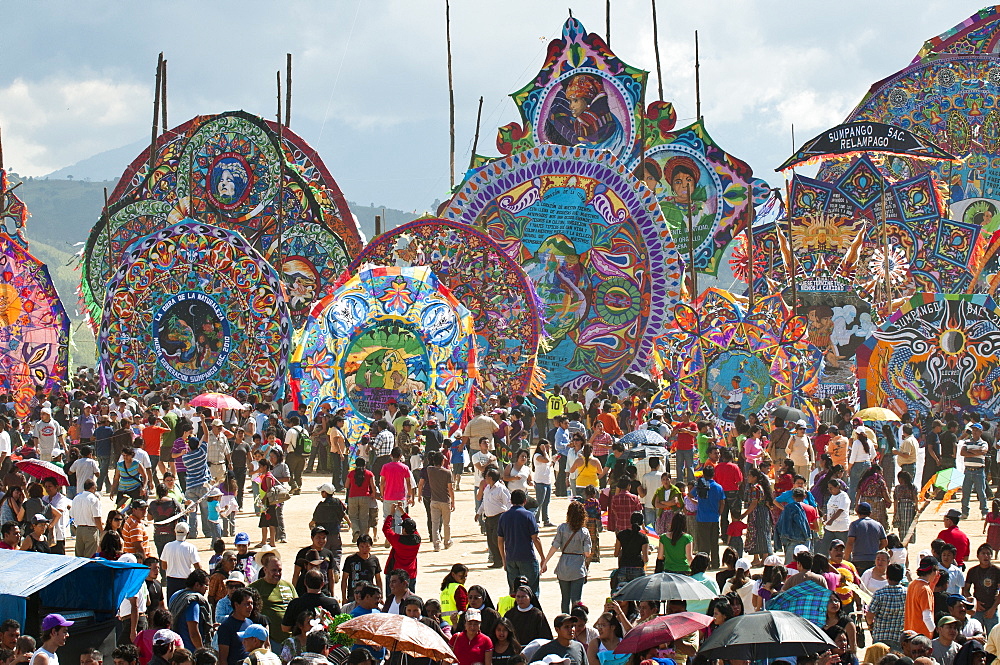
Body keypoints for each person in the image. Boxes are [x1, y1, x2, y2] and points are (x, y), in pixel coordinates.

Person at [542, 502, 592, 613]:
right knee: (576, 600)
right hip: (578, 567)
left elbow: (554, 546)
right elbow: (587, 552)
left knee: (565, 599)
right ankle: (576, 622)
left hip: (564, 565)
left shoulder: (562, 528)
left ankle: (565, 622)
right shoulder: (584, 532)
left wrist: (545, 562)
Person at [497, 489, 545, 595]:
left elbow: (500, 541)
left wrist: (504, 559)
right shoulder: (528, 515)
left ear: (511, 500)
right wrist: (543, 558)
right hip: (527, 557)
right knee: (532, 591)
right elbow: (535, 539)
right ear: (525, 501)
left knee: (514, 592)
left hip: (511, 558)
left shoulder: (503, 516)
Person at [249, 552, 297, 644]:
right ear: (265, 570)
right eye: (274, 570)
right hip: (269, 639)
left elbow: (297, 606)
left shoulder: (288, 586)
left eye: (280, 570)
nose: (277, 573)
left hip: (291, 638)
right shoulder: (255, 588)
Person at [168, 570, 212, 651]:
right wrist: (201, 651)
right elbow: (193, 633)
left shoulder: (176, 595)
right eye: (206, 585)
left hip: (176, 648)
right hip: (190, 650)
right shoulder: (192, 602)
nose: (207, 589)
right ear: (197, 585)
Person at [866, 562, 907, 650]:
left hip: (881, 636)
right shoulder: (907, 594)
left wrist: (870, 625)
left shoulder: (879, 593)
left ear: (887, 576)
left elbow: (870, 615)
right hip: (898, 637)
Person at [691, 466, 725, 568]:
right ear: (713, 474)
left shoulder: (699, 486)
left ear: (703, 474)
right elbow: (722, 502)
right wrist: (719, 513)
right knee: (714, 542)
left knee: (703, 543)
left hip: (702, 518)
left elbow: (690, 495)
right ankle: (715, 563)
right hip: (714, 518)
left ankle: (704, 564)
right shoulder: (718, 487)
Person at [965, 544, 1000, 634]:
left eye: (988, 554)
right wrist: (974, 603)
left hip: (992, 610)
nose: (986, 556)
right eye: (983, 553)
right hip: (977, 610)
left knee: (994, 638)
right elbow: (965, 590)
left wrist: (993, 608)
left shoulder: (997, 571)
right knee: (976, 637)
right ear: (978, 556)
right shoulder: (973, 571)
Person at [382, 508, 421, 588]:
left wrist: (390, 515)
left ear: (404, 529)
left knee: (392, 598)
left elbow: (386, 529)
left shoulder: (397, 540)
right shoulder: (417, 539)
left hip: (396, 574)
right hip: (411, 574)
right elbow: (412, 524)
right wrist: (403, 512)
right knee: (410, 598)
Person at [845, 502, 888, 573]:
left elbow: (850, 542)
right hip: (873, 559)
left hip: (858, 559)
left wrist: (846, 559)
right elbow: (885, 542)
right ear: (870, 513)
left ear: (857, 512)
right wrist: (876, 549)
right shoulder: (878, 525)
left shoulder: (854, 525)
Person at [215, 588, 254, 665]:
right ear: (236, 605)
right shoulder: (226, 627)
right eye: (247, 604)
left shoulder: (250, 623)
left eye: (251, 603)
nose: (250, 607)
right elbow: (223, 658)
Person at [162, 523, 201, 599]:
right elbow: (198, 567)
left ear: (174, 532)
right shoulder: (190, 547)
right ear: (188, 533)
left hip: (171, 580)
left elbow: (164, 566)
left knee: (172, 604)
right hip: (186, 581)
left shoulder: (167, 546)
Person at [292, 527, 335, 597]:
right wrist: (293, 593)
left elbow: (330, 576)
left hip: (323, 591)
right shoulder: (303, 553)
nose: (321, 540)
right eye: (318, 538)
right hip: (304, 591)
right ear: (312, 538)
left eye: (323, 538)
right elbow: (296, 574)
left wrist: (332, 594)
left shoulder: (328, 554)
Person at [425, 451, 455, 551]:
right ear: (442, 461)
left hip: (434, 500)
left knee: (435, 523)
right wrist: (453, 501)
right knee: (447, 523)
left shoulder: (429, 470)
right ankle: (447, 542)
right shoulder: (447, 472)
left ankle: (436, 545)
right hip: (445, 500)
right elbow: (450, 489)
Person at [776, 487, 812, 564]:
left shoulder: (787, 508)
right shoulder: (802, 508)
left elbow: (779, 524)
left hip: (787, 538)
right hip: (799, 538)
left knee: (789, 563)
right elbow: (802, 523)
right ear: (804, 497)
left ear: (793, 497)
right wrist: (807, 537)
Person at [614, 512, 649, 591]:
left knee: (623, 595)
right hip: (638, 567)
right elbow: (645, 559)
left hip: (624, 566)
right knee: (639, 594)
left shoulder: (621, 535)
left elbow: (616, 554)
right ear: (641, 523)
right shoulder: (643, 538)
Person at [346, 459, 379, 542]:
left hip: (352, 496)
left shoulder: (351, 473)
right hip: (365, 497)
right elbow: (373, 486)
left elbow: (346, 485)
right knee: (364, 518)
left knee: (353, 517)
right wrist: (373, 494)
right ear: (365, 464)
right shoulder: (369, 473)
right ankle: (363, 537)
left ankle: (356, 530)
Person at [907, 556, 940, 638]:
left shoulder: (912, 584)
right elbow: (927, 617)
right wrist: (937, 633)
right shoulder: (925, 589)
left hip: (910, 634)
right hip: (923, 637)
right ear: (933, 570)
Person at [341, 535, 382, 602]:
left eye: (367, 547)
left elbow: (378, 579)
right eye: (362, 547)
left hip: (369, 595)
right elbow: (344, 579)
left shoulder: (374, 560)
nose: (364, 549)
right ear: (358, 546)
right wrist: (344, 597)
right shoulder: (350, 559)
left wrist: (380, 596)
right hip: (354, 595)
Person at [963, 424, 991, 520]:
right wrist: (976, 452)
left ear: (980, 432)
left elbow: (983, 451)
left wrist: (969, 451)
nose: (974, 432)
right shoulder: (967, 442)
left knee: (981, 492)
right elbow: (962, 452)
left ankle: (984, 512)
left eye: (976, 430)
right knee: (965, 493)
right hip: (968, 470)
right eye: (973, 430)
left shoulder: (983, 443)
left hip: (978, 471)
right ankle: (964, 512)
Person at [72, 478, 103, 557]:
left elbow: (72, 515)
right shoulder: (94, 499)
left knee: (79, 556)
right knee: (90, 556)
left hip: (79, 530)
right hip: (91, 530)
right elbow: (97, 518)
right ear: (92, 488)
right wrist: (102, 530)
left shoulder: (76, 498)